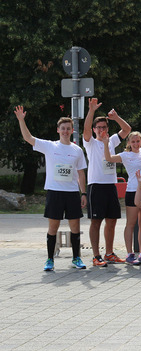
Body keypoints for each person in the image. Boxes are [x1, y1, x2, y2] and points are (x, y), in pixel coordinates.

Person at [15, 106, 88, 271]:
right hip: (54, 192)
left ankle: (76, 258)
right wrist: (21, 120)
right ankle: (50, 260)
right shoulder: (49, 146)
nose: (65, 131)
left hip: (71, 193)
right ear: (58, 130)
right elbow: (28, 137)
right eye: (63, 128)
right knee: (53, 227)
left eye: (68, 128)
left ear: (72, 130)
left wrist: (83, 193)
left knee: (75, 227)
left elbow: (81, 174)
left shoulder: (77, 150)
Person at [82, 98, 131, 266]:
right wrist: (91, 110)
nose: (102, 130)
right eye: (99, 127)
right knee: (96, 221)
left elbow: (127, 129)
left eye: (104, 127)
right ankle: (96, 256)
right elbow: (86, 129)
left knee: (112, 220)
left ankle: (109, 253)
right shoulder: (90, 142)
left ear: (107, 129)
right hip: (95, 186)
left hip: (110, 186)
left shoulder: (111, 142)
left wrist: (116, 117)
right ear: (95, 129)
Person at [103, 123, 141, 265]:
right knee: (131, 224)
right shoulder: (125, 155)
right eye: (133, 141)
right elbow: (109, 158)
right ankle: (130, 254)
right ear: (129, 143)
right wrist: (106, 144)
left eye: (138, 141)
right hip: (132, 191)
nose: (136, 143)